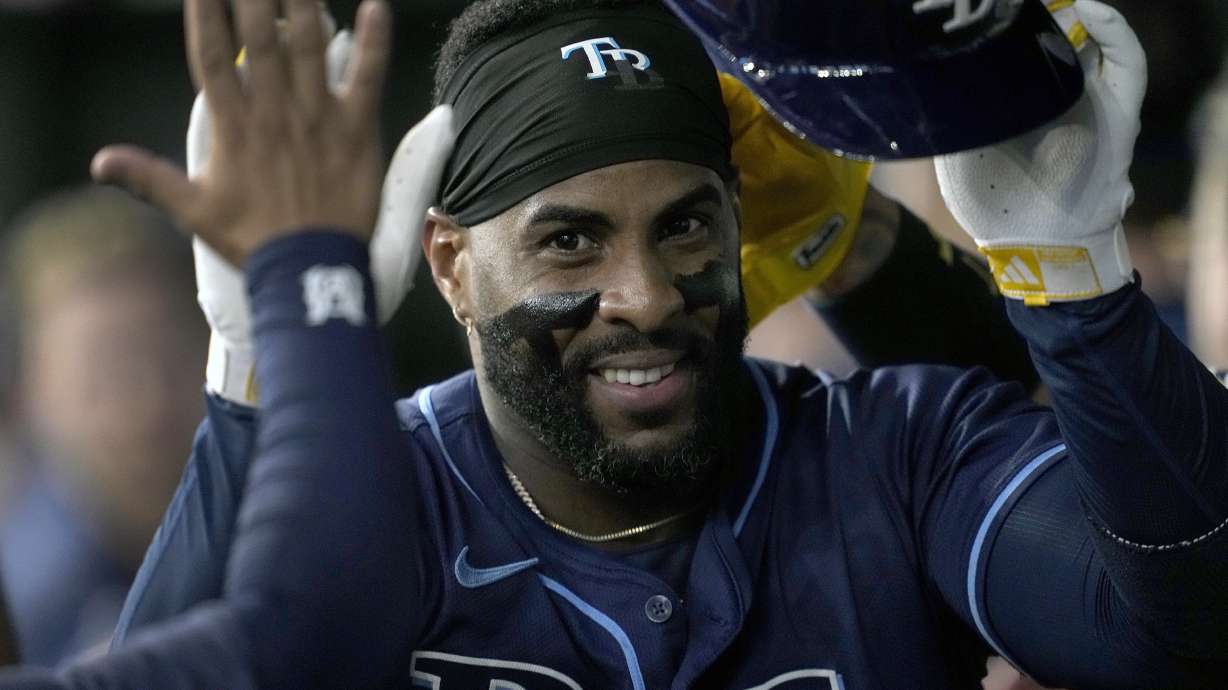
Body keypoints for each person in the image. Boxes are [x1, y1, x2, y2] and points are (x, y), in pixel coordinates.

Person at [1, 0, 1225, 687]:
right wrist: (258, 365)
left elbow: (1181, 629)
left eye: (686, 225)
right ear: (450, 265)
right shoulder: (375, 496)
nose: (642, 293)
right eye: (570, 244)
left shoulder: (894, 447)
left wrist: (1078, 286)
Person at [0, 188, 207, 664]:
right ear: (27, 391)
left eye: (169, 356)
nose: (145, 404)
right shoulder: (32, 611)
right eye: (100, 372)